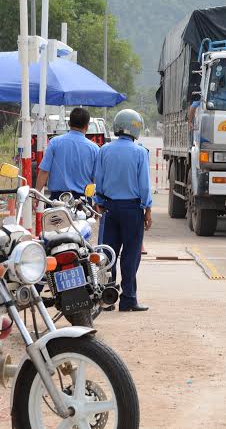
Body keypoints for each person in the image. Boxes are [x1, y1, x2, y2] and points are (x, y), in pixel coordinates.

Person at [95, 109, 152, 312]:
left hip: (109, 208)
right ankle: (128, 299)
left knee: (108, 254)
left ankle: (107, 298)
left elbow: (98, 180)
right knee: (130, 254)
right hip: (132, 209)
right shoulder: (140, 152)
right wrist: (148, 209)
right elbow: (144, 185)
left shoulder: (104, 150)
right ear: (136, 128)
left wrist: (98, 201)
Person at [35, 107, 99, 200]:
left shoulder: (55, 142)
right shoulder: (94, 149)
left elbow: (44, 171)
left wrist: (36, 194)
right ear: (87, 126)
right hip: (82, 203)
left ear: (69, 124)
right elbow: (96, 179)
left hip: (57, 200)